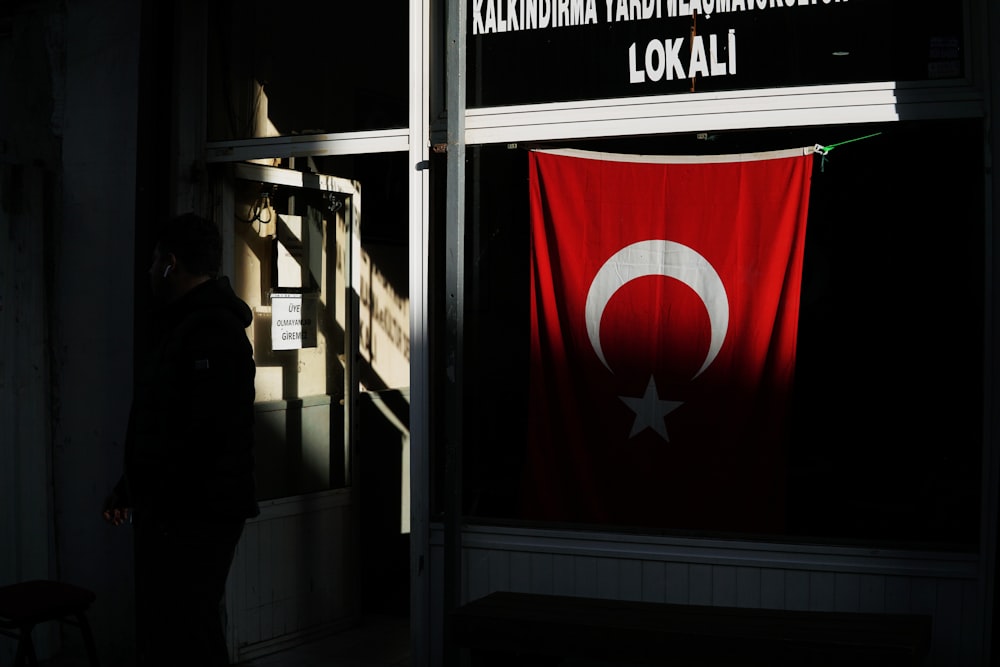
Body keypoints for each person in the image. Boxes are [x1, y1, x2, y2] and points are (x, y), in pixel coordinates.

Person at [103, 212, 258, 666]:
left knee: (187, 628)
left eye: (154, 261)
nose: (149, 271)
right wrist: (129, 487)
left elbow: (202, 435)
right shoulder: (183, 326)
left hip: (194, 514)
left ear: (171, 264)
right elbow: (164, 424)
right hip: (182, 510)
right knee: (183, 626)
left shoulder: (210, 332)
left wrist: (155, 497)